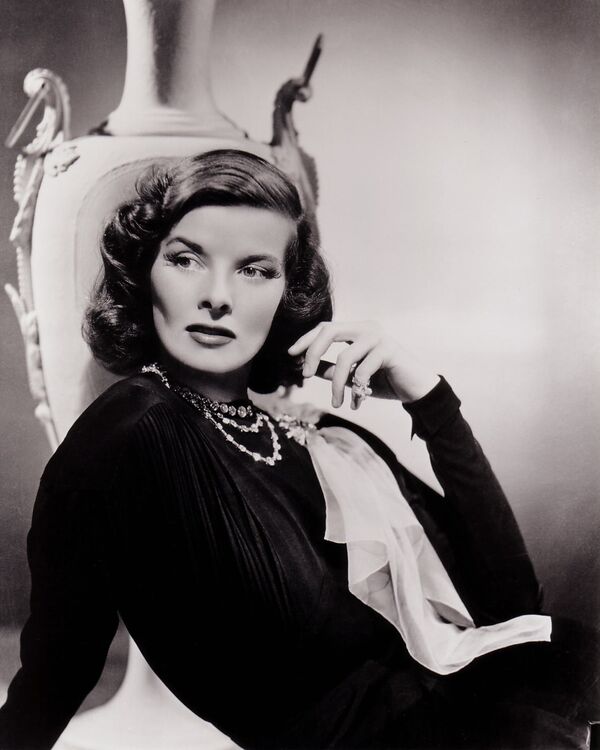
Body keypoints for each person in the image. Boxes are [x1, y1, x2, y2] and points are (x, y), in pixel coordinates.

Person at [0, 149, 597, 750]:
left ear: (288, 293)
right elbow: (57, 668)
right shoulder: (132, 429)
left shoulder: (320, 437)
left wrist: (429, 398)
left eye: (255, 270)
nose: (217, 296)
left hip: (497, 716)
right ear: (144, 272)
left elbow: (513, 606)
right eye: (185, 259)